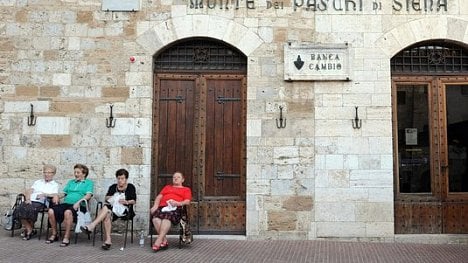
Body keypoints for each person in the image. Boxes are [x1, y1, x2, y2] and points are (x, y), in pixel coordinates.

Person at [80, 168, 137, 250]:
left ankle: (92, 226)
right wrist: (113, 197)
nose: (120, 180)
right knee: (106, 214)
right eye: (118, 178)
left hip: (125, 210)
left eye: (122, 178)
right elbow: (106, 198)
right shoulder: (113, 187)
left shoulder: (130, 187)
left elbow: (134, 201)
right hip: (113, 209)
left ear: (126, 179)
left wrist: (126, 202)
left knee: (106, 208)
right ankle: (108, 240)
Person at [46, 163, 94, 247]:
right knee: (51, 211)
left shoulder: (88, 183)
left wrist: (78, 202)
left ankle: (66, 237)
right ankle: (54, 234)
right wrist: (57, 196)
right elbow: (64, 194)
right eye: (75, 172)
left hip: (80, 206)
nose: (76, 174)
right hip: (66, 204)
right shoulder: (71, 182)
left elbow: (88, 195)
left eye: (78, 173)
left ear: (84, 173)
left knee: (68, 212)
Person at [15, 164, 60, 240]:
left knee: (31, 209)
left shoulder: (55, 184)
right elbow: (30, 190)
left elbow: (55, 195)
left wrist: (45, 194)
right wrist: (28, 199)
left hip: (42, 202)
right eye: (45, 172)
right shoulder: (38, 182)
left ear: (53, 174)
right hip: (31, 200)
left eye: (49, 172)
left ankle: (29, 230)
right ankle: (29, 229)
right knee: (20, 208)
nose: (46, 174)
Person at [150, 171, 191, 252]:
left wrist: (178, 203)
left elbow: (187, 201)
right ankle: (164, 240)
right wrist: (155, 206)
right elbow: (159, 197)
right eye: (174, 177)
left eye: (178, 177)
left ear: (182, 180)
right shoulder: (167, 187)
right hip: (163, 208)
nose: (175, 178)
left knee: (166, 218)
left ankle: (158, 241)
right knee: (155, 218)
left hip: (175, 209)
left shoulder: (186, 189)